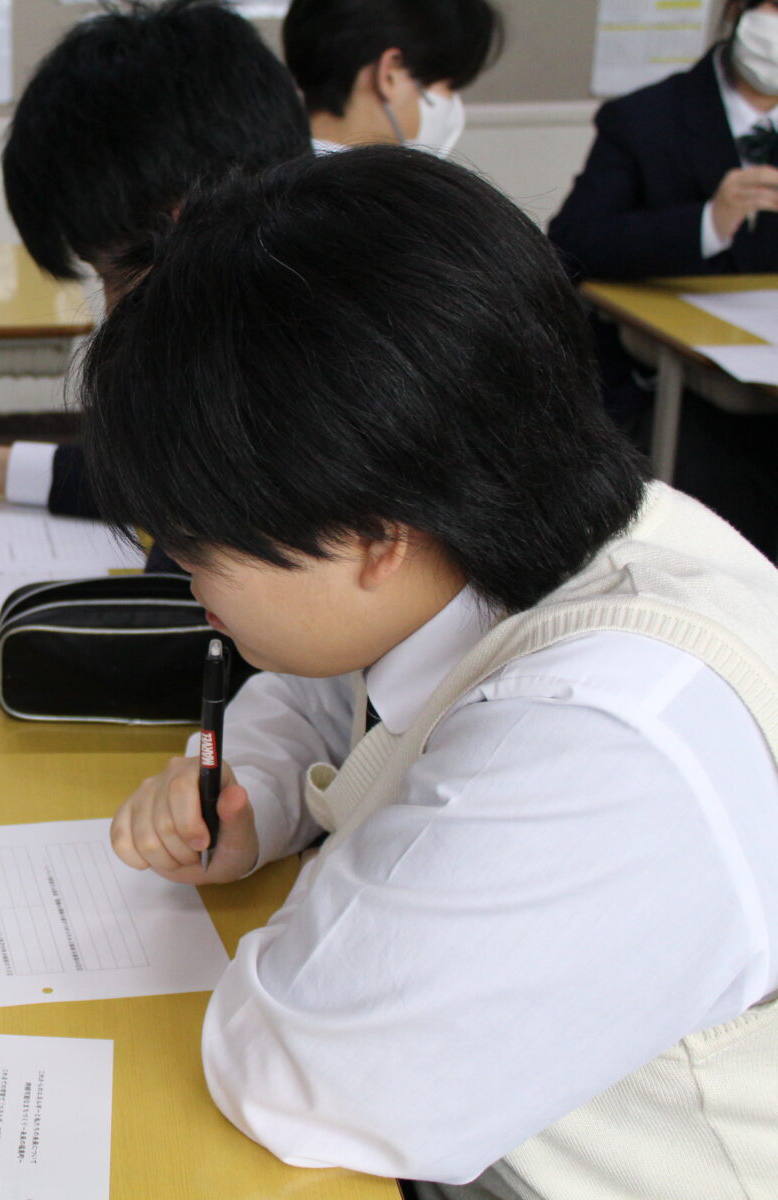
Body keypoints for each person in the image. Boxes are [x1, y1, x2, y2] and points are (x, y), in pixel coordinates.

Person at [89, 147, 778, 1198]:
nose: (183, 575)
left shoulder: (607, 746)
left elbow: (302, 1073)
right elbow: (335, 684)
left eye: (194, 541)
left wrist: (325, 885)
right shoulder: (539, 526)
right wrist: (258, 793)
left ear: (372, 533)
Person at [0, 0, 309, 516]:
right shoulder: (277, 313)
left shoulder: (337, 385)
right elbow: (179, 481)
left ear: (196, 218)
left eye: (120, 276)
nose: (112, 314)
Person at [549, 0, 778, 559]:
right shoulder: (647, 117)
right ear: (737, 14)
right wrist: (707, 223)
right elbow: (574, 240)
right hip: (671, 385)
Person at [284, 0, 502, 156]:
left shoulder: (263, 183)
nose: (454, 104)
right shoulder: (397, 208)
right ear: (391, 74)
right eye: (449, 85)